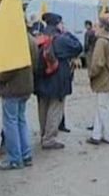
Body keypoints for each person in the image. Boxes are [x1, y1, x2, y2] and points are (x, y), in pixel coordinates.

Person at [35, 13, 82, 150]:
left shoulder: (39, 38)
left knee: (42, 107)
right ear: (58, 24)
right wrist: (68, 33)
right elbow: (78, 47)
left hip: (41, 78)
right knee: (55, 108)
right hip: (57, 79)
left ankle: (43, 134)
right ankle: (49, 138)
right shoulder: (61, 39)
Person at [0, 32, 39, 170]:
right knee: (21, 120)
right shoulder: (31, 39)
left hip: (12, 87)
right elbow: (36, 63)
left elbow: (10, 69)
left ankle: (14, 158)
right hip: (26, 86)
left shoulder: (13, 41)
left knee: (11, 123)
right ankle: (26, 155)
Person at [86, 18, 109, 145]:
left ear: (102, 27)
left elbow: (98, 63)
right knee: (102, 107)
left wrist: (91, 74)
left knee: (103, 108)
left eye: (95, 26)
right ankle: (96, 135)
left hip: (103, 79)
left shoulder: (101, 42)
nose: (94, 29)